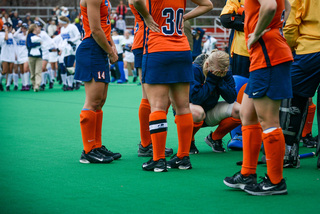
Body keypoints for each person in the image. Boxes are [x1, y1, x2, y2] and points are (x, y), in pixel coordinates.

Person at [133, 0, 213, 172]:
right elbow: (208, 5)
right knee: (183, 107)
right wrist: (184, 17)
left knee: (158, 107)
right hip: (182, 49)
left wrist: (146, 16)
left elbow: (135, 1)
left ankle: (158, 159)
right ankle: (183, 157)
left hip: (157, 49)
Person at [224, 0, 293, 196]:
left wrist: (258, 32)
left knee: (269, 121)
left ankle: (275, 181)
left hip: (268, 56)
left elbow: (270, 6)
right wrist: (275, 27)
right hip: (263, 55)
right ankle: (247, 173)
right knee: (247, 114)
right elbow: (286, 6)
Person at [74, 0, 121, 163]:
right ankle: (88, 151)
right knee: (93, 101)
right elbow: (95, 29)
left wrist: (112, 45)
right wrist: (110, 51)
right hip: (92, 48)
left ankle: (96, 145)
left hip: (100, 47)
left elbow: (105, 26)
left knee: (100, 101)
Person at [129, 0, 173, 157]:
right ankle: (146, 143)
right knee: (148, 96)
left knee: (163, 97)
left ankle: (151, 140)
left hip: (157, 42)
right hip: (146, 42)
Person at [281, 0, 320, 168]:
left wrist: (291, 45)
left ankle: (289, 151)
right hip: (309, 49)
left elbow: (290, 25)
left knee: (293, 98)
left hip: (309, 50)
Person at [189, 51, 241, 154]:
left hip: (209, 108)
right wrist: (211, 80)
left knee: (240, 110)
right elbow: (195, 99)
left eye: (223, 72)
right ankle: (189, 141)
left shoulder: (224, 71)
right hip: (190, 111)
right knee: (198, 112)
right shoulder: (195, 69)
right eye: (218, 72)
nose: (220, 74)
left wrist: (220, 80)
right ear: (207, 65)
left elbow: (231, 98)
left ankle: (215, 138)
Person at [58, 16, 81, 91]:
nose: (58, 23)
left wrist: (72, 41)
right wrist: (60, 48)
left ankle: (71, 84)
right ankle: (72, 82)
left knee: (70, 66)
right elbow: (62, 39)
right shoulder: (62, 29)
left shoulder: (72, 27)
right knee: (66, 66)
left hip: (72, 48)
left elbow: (78, 36)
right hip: (65, 49)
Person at [13, 23, 30, 91]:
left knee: (26, 69)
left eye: (25, 28)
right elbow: (14, 35)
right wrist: (19, 29)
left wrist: (27, 32)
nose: (23, 29)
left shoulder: (28, 36)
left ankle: (27, 84)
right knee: (22, 71)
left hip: (26, 54)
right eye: (22, 28)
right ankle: (23, 85)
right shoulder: (19, 36)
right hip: (20, 55)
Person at [26, 23, 42, 92]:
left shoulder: (39, 36)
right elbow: (29, 45)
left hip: (39, 56)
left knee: (38, 72)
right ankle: (33, 84)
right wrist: (38, 43)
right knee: (32, 72)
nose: (38, 28)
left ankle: (37, 85)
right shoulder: (29, 36)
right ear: (34, 28)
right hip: (31, 56)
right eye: (37, 27)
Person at [0, 23, 16, 92]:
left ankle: (8, 86)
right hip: (4, 55)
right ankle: (0, 82)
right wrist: (6, 30)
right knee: (4, 71)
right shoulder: (1, 34)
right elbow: (6, 38)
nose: (10, 28)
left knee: (10, 71)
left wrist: (15, 54)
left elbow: (14, 45)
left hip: (11, 55)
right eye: (8, 27)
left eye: (10, 27)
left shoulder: (11, 35)